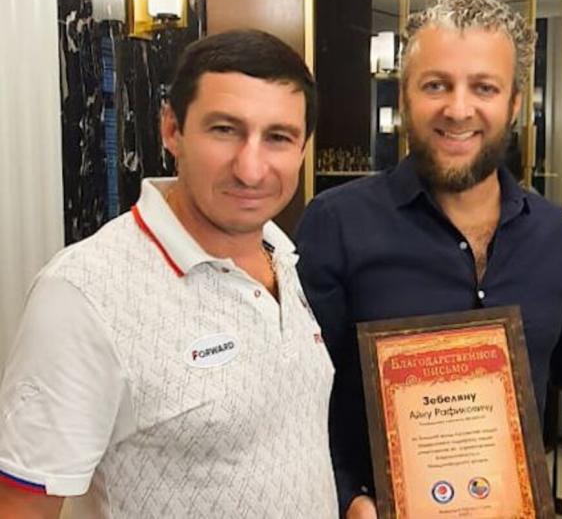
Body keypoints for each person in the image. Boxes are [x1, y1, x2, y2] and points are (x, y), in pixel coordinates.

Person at [295, 0, 562, 518]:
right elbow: (298, 398)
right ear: (404, 96)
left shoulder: (554, 233)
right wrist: (348, 498)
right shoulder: (336, 223)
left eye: (484, 87)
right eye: (436, 85)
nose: (458, 109)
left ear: (515, 103)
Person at [0, 30, 338, 518]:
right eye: (224, 130)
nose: (251, 169)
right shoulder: (84, 292)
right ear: (171, 129)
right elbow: (20, 507)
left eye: (278, 138)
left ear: (302, 149)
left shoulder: (282, 256)